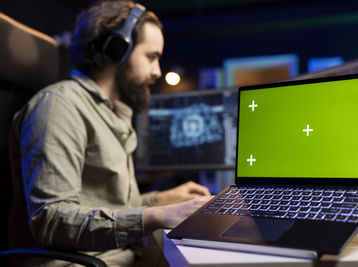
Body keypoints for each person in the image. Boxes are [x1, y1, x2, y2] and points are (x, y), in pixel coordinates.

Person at [8, 1, 212, 266]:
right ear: (118, 50)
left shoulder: (111, 113)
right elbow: (51, 220)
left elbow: (106, 204)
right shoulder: (59, 106)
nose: (157, 71)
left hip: (119, 257)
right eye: (151, 57)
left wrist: (161, 200)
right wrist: (156, 216)